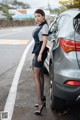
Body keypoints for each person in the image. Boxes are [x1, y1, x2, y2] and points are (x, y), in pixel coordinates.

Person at [32, 9, 49, 115]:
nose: (37, 18)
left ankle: (40, 102)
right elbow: (37, 41)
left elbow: (45, 41)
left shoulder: (45, 26)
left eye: (39, 16)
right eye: (35, 16)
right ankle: (42, 98)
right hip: (37, 51)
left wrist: (40, 54)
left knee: (36, 75)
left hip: (40, 52)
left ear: (43, 16)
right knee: (40, 74)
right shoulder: (40, 25)